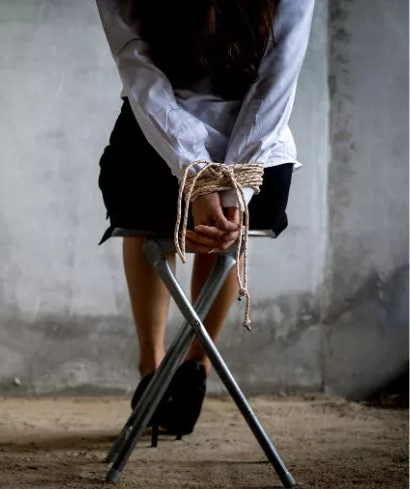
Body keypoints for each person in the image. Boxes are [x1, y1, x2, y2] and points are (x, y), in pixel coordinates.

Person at [95, 0, 315, 436]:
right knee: (224, 222)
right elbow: (277, 77)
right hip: (212, 153)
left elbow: (137, 66)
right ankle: (190, 367)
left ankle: (156, 368)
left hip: (180, 161)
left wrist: (226, 182)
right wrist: (208, 177)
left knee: (149, 211)